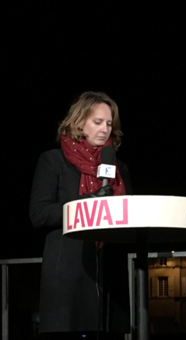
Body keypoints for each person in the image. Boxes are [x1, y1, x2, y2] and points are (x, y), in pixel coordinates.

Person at [30, 92, 132, 339]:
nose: (105, 129)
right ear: (78, 123)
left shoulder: (119, 168)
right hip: (68, 275)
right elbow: (39, 214)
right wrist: (86, 203)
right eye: (97, 122)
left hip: (109, 273)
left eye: (109, 123)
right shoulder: (54, 161)